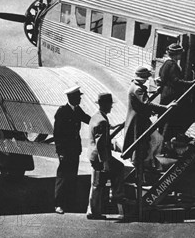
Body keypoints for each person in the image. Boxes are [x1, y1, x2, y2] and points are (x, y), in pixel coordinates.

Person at [86, 92, 125, 220]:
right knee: (100, 182)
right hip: (99, 156)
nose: (111, 107)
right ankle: (114, 197)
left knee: (96, 183)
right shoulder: (102, 121)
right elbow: (101, 143)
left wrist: (114, 127)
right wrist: (105, 162)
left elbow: (102, 131)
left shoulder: (97, 117)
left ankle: (93, 210)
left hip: (93, 155)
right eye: (110, 104)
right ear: (106, 104)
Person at [122, 66, 168, 171]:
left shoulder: (135, 86)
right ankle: (147, 160)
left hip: (139, 119)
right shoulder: (138, 89)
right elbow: (146, 103)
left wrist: (156, 92)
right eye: (146, 78)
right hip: (139, 120)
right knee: (156, 139)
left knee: (147, 141)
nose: (147, 79)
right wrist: (165, 108)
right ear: (142, 78)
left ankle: (148, 160)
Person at [54, 86, 90, 214]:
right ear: (71, 98)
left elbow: (87, 119)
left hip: (75, 149)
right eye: (78, 97)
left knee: (72, 176)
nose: (80, 98)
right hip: (65, 150)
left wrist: (102, 123)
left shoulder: (77, 110)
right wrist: (60, 152)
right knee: (63, 176)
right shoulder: (62, 111)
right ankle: (58, 204)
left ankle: (69, 203)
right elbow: (57, 134)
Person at [157, 43, 195, 140]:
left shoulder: (165, 63)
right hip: (172, 94)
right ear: (176, 54)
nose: (181, 55)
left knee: (166, 117)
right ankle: (171, 137)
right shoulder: (172, 65)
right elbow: (175, 81)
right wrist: (191, 82)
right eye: (180, 54)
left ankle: (164, 138)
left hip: (165, 93)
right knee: (182, 114)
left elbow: (162, 76)